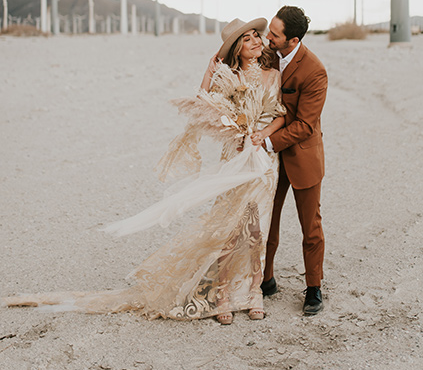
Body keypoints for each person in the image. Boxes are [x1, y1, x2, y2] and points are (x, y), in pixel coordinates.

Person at [3, 17, 286, 325]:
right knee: (228, 228)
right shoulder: (228, 76)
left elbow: (281, 115)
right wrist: (209, 73)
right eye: (247, 39)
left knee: (257, 228)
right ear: (236, 49)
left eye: (257, 36)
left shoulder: (274, 75)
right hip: (235, 154)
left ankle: (253, 292)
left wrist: (262, 134)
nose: (257, 41)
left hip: (264, 158)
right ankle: (222, 295)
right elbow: (203, 103)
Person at [255, 6, 328, 315]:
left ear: (292, 39)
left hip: (301, 156)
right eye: (269, 30)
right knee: (266, 221)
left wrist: (267, 142)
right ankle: (265, 279)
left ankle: (314, 288)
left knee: (310, 226)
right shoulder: (269, 54)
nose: (267, 38)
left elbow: (305, 126)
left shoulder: (314, 70)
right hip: (270, 159)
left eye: (274, 34)